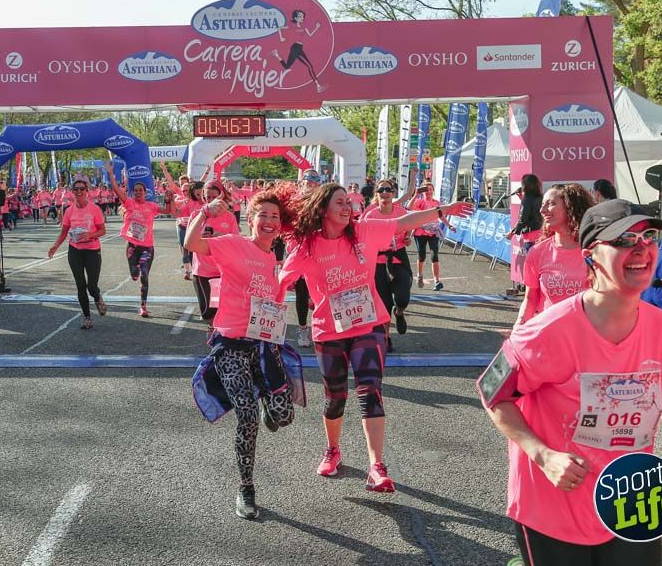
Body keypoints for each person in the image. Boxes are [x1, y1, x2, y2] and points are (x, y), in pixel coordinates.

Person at [480, 199, 662, 564]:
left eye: (649, 236)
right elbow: (492, 393)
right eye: (623, 239)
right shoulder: (547, 331)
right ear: (590, 255)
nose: (641, 248)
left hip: (632, 500)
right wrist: (544, 456)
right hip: (553, 505)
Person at [279, 183, 473, 493]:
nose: (347, 207)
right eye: (339, 203)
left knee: (370, 391)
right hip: (329, 330)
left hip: (369, 325)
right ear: (322, 210)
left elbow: (403, 222)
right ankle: (333, 450)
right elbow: (282, 280)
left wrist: (441, 211)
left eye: (348, 202)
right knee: (335, 397)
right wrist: (272, 294)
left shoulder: (365, 230)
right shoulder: (308, 246)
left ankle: (377, 466)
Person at [187, 183, 303, 519]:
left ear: (280, 225)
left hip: (264, 346)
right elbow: (192, 243)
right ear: (250, 219)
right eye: (262, 214)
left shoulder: (271, 258)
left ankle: (270, 405)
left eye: (274, 216)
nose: (268, 220)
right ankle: (246, 488)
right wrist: (205, 212)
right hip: (231, 346)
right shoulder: (233, 244)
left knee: (283, 416)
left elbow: (272, 302)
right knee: (247, 418)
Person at [103, 158, 174, 317]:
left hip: (147, 247)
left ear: (145, 192)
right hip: (132, 247)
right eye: (135, 190)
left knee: (144, 275)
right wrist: (110, 173)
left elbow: (168, 210)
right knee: (135, 274)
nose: (138, 192)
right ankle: (134, 272)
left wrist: (169, 198)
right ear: (133, 192)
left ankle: (143, 305)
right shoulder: (129, 203)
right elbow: (116, 189)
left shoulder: (152, 206)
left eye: (141, 190)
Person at [515, 184, 594, 327]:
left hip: (588, 336)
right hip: (549, 334)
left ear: (572, 207)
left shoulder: (597, 250)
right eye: (542, 204)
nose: (542, 210)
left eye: (551, 204)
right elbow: (530, 298)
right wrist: (519, 324)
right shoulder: (537, 252)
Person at [362, 175, 418, 346]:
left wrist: (408, 237)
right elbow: (361, 236)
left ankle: (399, 312)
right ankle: (386, 336)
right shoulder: (370, 214)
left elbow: (409, 227)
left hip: (398, 256)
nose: (384, 192)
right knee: (384, 301)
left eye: (388, 190)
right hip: (377, 259)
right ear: (376, 194)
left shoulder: (401, 211)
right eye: (381, 190)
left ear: (393, 193)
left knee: (402, 298)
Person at [48, 179, 108, 329]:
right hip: (75, 251)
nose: (79, 192)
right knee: (80, 285)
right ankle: (87, 318)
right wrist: (55, 246)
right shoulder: (69, 210)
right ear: (73, 192)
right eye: (76, 189)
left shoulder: (94, 209)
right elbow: (64, 231)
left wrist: (90, 235)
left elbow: (102, 230)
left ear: (87, 191)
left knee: (92, 286)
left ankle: (98, 297)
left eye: (82, 189)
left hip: (92, 250)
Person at [188, 180, 239, 329]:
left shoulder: (229, 217)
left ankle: (216, 340)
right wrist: (201, 235)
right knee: (206, 312)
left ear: (221, 197)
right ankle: (215, 335)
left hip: (221, 271)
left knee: (217, 310)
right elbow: (188, 242)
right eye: (207, 197)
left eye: (213, 197)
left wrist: (220, 236)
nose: (210, 201)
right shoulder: (197, 215)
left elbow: (236, 242)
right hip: (202, 270)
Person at [291, 169, 323, 348]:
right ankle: (303, 329)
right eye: (307, 180)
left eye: (314, 180)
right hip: (300, 252)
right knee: (302, 293)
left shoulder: (323, 202)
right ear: (302, 182)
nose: (310, 183)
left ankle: (321, 326)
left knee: (324, 290)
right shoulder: (294, 202)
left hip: (322, 252)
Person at [409, 181, 455, 291]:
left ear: (433, 191)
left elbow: (441, 216)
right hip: (420, 231)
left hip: (433, 232)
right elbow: (409, 208)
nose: (428, 192)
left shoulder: (436, 203)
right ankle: (420, 275)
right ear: (423, 191)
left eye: (430, 189)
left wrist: (449, 226)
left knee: (435, 256)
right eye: (426, 189)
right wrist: (415, 195)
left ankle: (437, 281)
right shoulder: (420, 202)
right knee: (422, 255)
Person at [271, 9, 326, 93]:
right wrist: (281, 38)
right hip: (295, 48)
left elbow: (310, 34)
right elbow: (279, 28)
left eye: (303, 16)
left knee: (287, 67)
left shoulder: (303, 26)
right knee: (309, 66)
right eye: (300, 16)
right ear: (295, 17)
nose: (302, 18)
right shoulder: (291, 25)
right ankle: (318, 86)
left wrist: (316, 27)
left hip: (299, 48)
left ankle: (277, 55)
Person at [506, 174, 544, 296]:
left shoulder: (527, 199)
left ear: (525, 185)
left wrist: (513, 232)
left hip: (531, 235)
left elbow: (523, 218)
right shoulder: (541, 197)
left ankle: (533, 292)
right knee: (541, 264)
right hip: (542, 233)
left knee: (532, 265)